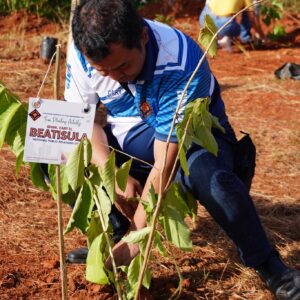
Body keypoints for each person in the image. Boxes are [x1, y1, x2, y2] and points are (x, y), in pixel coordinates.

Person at [65, 0, 300, 299]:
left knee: (207, 176)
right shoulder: (83, 50)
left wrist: (135, 243)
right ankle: (109, 237)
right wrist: (111, 175)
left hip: (189, 145)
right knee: (56, 149)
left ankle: (270, 267)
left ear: (143, 37)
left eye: (123, 66)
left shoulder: (181, 62)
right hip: (129, 143)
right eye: (102, 70)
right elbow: (84, 121)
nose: (112, 76)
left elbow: (165, 165)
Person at [199, 0, 267, 52]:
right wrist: (262, 36)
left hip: (204, 20)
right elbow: (252, 18)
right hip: (223, 25)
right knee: (247, 13)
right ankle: (228, 38)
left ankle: (215, 39)